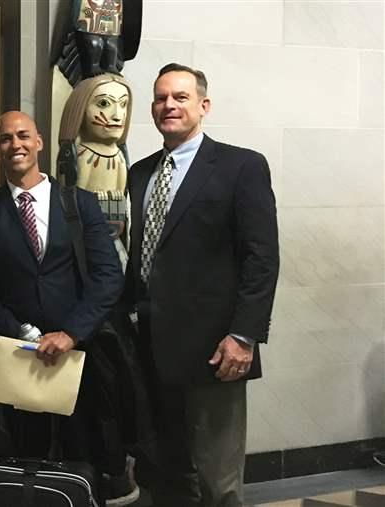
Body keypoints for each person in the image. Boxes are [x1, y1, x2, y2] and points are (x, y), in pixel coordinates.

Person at [124, 63, 279, 506]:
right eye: (160, 98)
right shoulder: (140, 173)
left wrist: (243, 336)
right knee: (166, 474)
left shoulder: (240, 167)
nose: (168, 105)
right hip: (151, 350)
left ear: (203, 106)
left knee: (218, 480)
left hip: (216, 351)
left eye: (180, 97)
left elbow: (262, 259)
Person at [0, 111, 125, 494]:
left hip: (78, 356)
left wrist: (70, 332)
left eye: (22, 136)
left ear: (39, 141)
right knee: (26, 465)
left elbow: (108, 276)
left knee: (84, 458)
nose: (15, 144)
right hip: (19, 359)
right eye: (5, 138)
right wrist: (20, 331)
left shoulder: (79, 204)